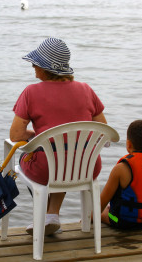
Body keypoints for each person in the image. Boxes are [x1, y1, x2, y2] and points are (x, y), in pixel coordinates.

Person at [9, 37, 107, 235]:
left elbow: (16, 135)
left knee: (39, 155)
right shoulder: (86, 89)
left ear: (45, 67)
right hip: (87, 166)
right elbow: (103, 129)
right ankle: (52, 215)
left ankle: (44, 216)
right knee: (63, 151)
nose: (33, 67)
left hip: (47, 169)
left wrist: (39, 137)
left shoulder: (31, 92)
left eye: (35, 63)